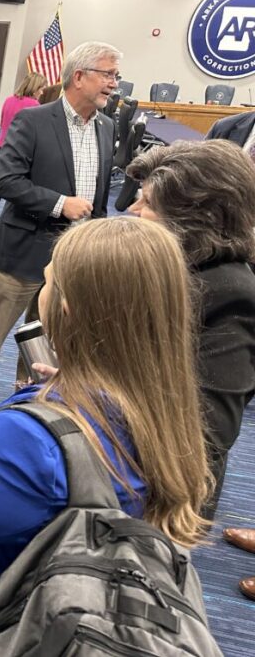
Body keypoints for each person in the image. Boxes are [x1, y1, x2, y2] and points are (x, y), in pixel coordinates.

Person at [0, 217, 212, 655]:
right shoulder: (170, 415)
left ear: (64, 309)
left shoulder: (23, 441)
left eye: (48, 281)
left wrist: (21, 409)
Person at [0, 41, 119, 427]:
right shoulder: (33, 121)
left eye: (116, 76)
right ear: (79, 76)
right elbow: (8, 181)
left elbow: (99, 195)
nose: (114, 84)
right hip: (23, 248)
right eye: (107, 74)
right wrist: (61, 203)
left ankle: (27, 393)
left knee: (46, 335)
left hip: (71, 258)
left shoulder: (107, 126)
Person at [126, 139, 255, 599]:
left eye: (148, 204)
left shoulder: (230, 293)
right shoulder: (179, 267)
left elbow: (207, 432)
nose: (133, 210)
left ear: (196, 220)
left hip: (159, 498)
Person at [0, 72, 47, 229]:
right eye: (42, 88)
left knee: (1, 181)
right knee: (20, 185)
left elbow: (3, 122)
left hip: (3, 146)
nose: (42, 92)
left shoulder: (9, 100)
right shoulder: (35, 106)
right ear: (35, 88)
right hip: (22, 151)